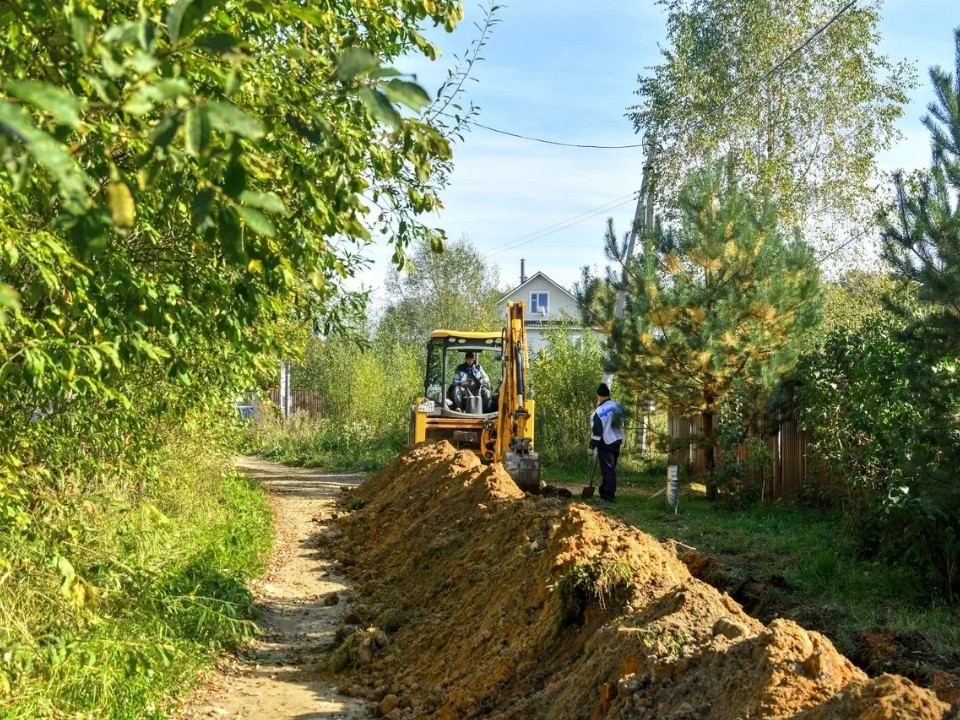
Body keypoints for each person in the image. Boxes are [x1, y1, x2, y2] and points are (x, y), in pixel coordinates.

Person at [589, 382, 624, 502]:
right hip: (617, 440)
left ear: (599, 396)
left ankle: (608, 496)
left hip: (606, 442)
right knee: (611, 468)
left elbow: (597, 432)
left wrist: (591, 446)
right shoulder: (617, 405)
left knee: (607, 469)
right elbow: (621, 422)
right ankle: (604, 491)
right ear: (608, 394)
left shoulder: (598, 413)